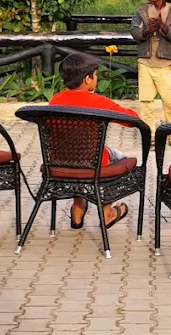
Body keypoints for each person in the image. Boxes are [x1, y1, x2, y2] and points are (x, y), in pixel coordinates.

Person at [48, 51, 139, 231]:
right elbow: (132, 120)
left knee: (76, 156)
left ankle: (78, 209)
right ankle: (107, 213)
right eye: (96, 75)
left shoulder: (55, 100)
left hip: (60, 160)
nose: (96, 79)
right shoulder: (98, 102)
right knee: (118, 157)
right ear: (88, 80)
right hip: (94, 162)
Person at [130, 0, 171, 134]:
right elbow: (134, 32)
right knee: (146, 102)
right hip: (145, 62)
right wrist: (148, 30)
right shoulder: (142, 10)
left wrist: (162, 26)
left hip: (164, 63)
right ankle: (150, 136)